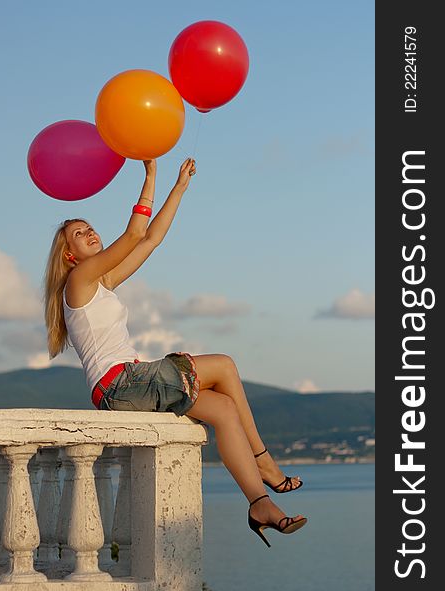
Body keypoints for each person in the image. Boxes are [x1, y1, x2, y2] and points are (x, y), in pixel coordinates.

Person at [43, 157, 307, 547]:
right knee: (224, 365)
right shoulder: (78, 281)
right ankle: (264, 460)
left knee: (223, 409)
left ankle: (259, 503)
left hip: (126, 383)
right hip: (121, 383)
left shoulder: (101, 282)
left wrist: (178, 187)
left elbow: (150, 240)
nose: (91, 233)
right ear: (69, 255)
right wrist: (149, 175)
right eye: (80, 234)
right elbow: (133, 235)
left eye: (90, 227)